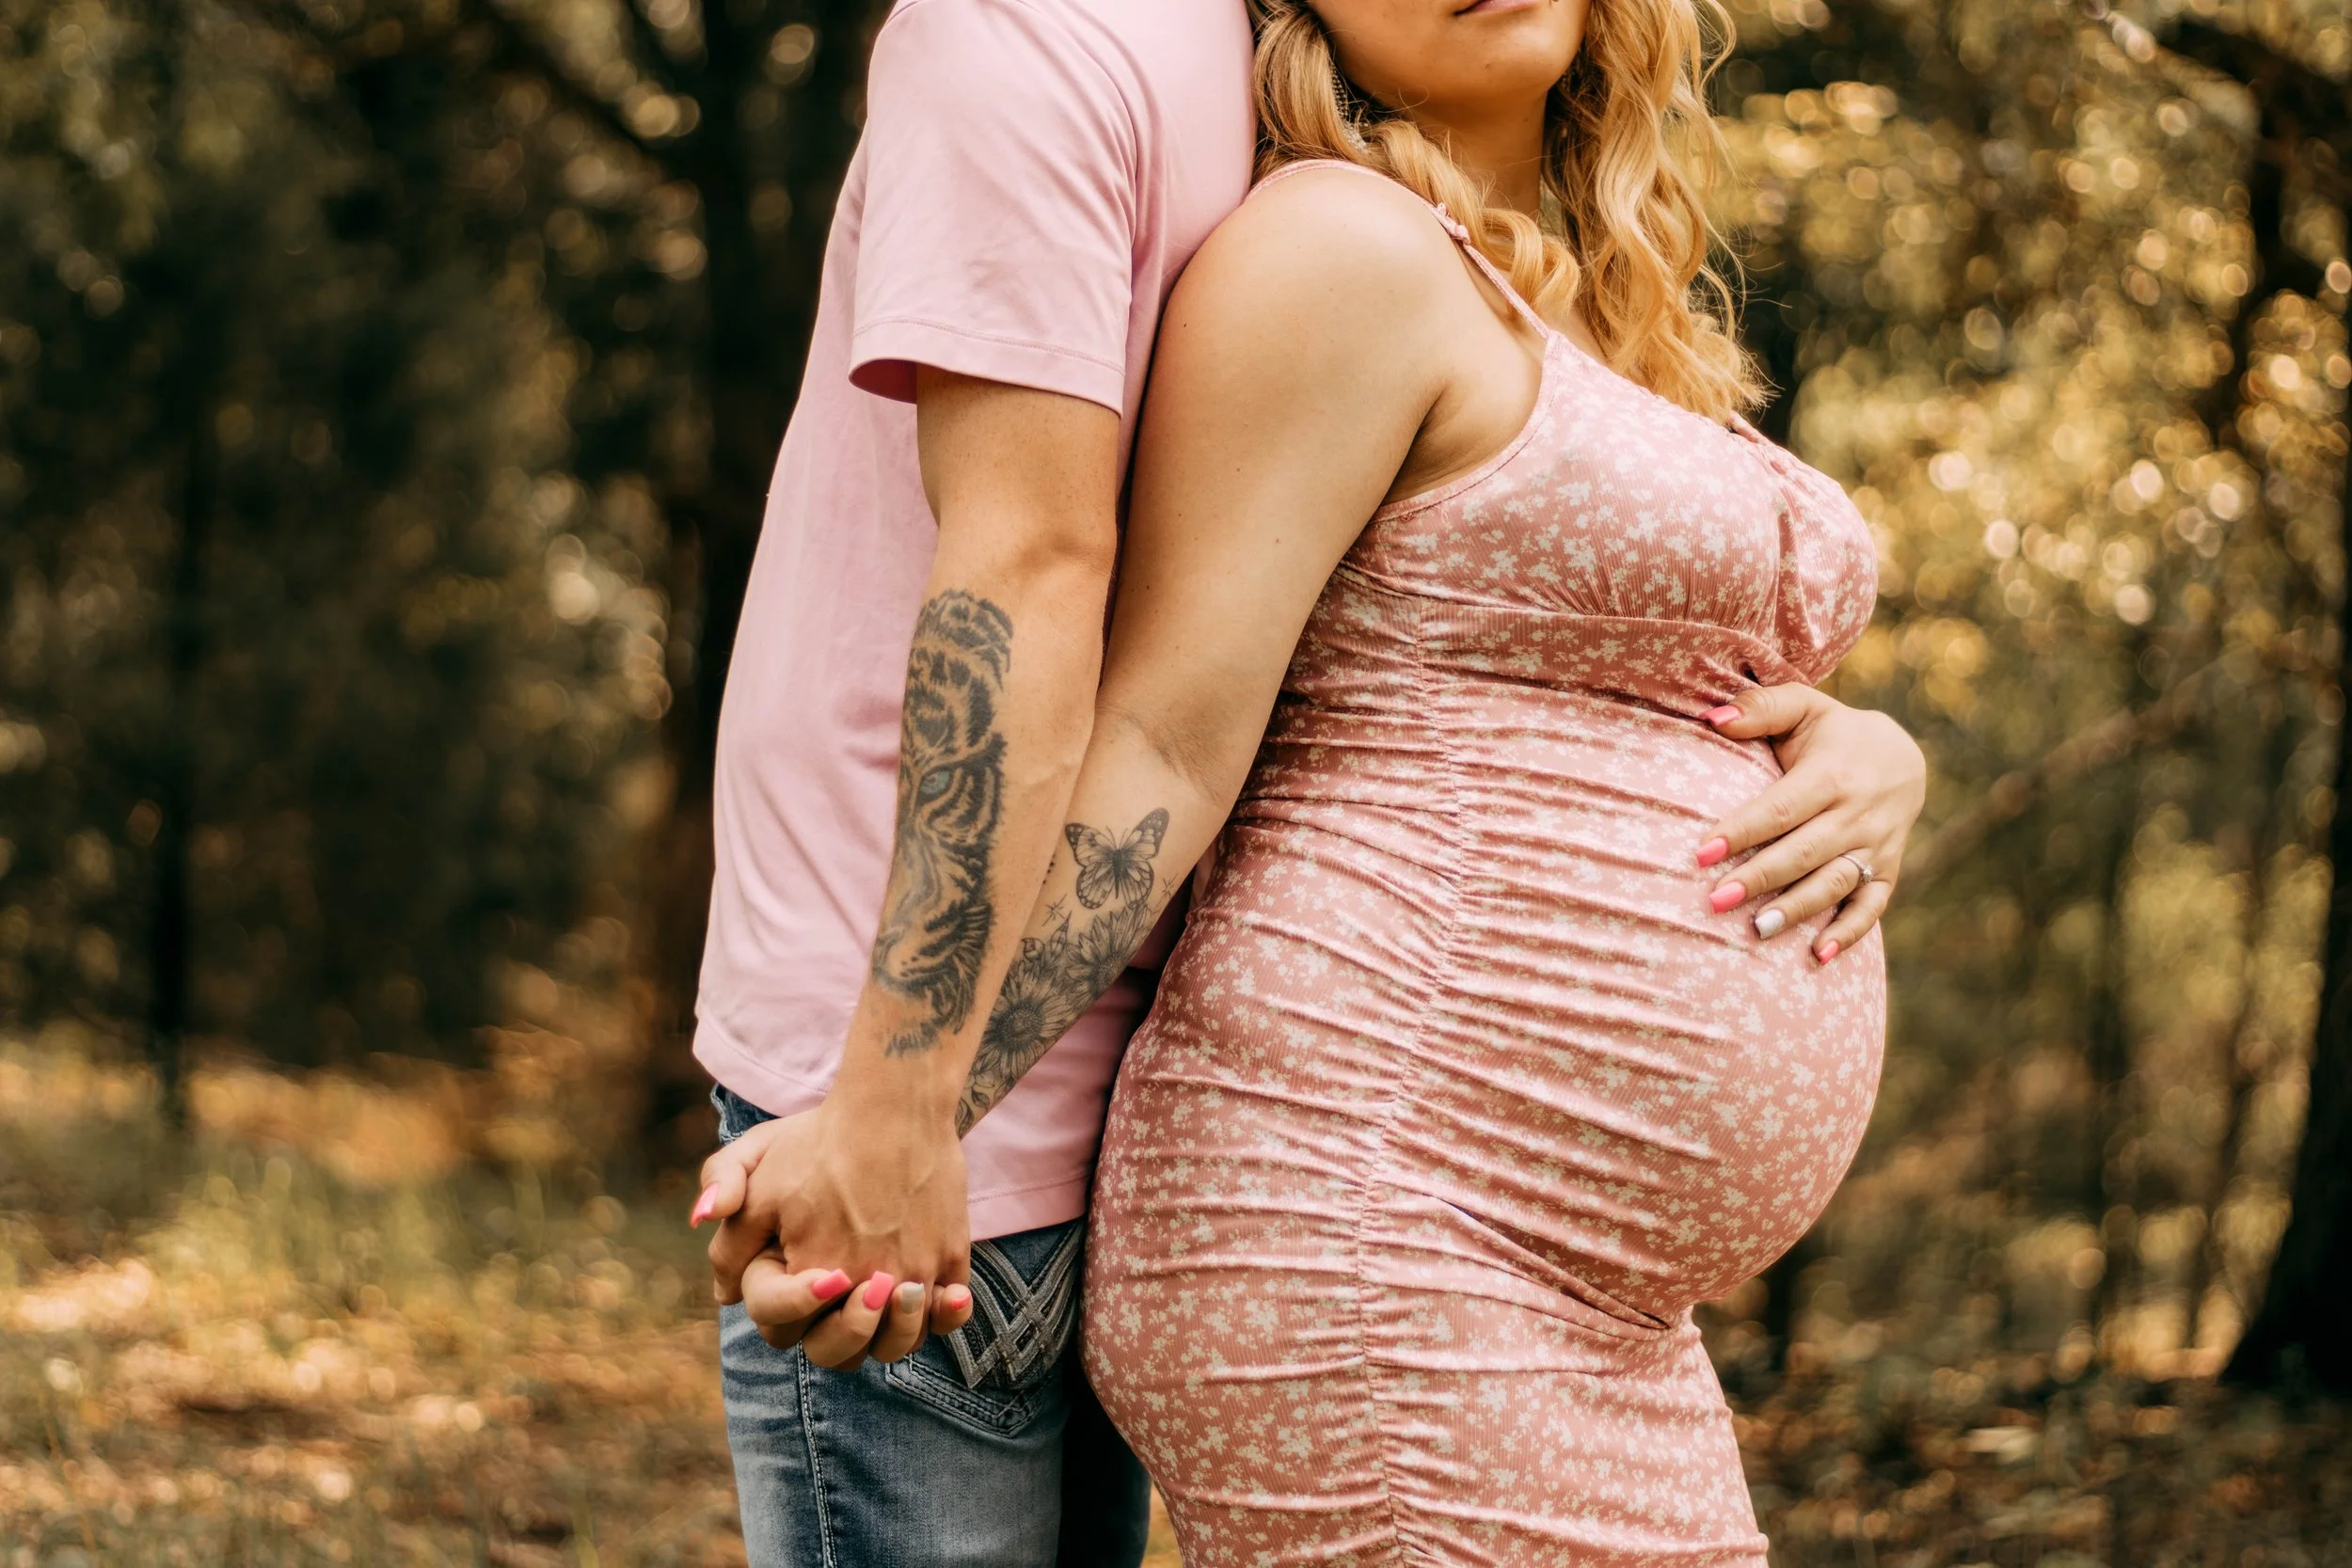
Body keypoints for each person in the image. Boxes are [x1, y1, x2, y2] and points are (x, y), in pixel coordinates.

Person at [693, 0, 1925, 1562]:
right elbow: (1146, 703)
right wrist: (892, 1109)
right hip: (1371, 1227)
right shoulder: (1268, 200)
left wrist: (1864, 747)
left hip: (1533, 1272)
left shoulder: (1538, 282)